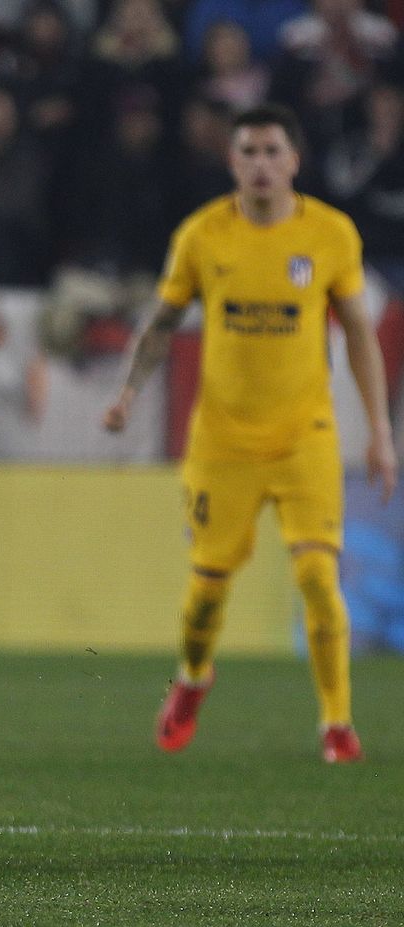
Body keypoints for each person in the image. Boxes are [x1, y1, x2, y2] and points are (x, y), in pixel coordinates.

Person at [103, 103, 397, 764]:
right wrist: (126, 391)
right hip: (224, 443)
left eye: (272, 152)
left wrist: (379, 429)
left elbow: (357, 335)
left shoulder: (330, 234)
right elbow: (161, 323)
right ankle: (193, 678)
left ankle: (337, 724)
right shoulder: (203, 235)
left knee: (321, 578)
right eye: (248, 152)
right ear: (231, 161)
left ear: (294, 160)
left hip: (304, 436)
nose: (260, 164)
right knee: (207, 590)